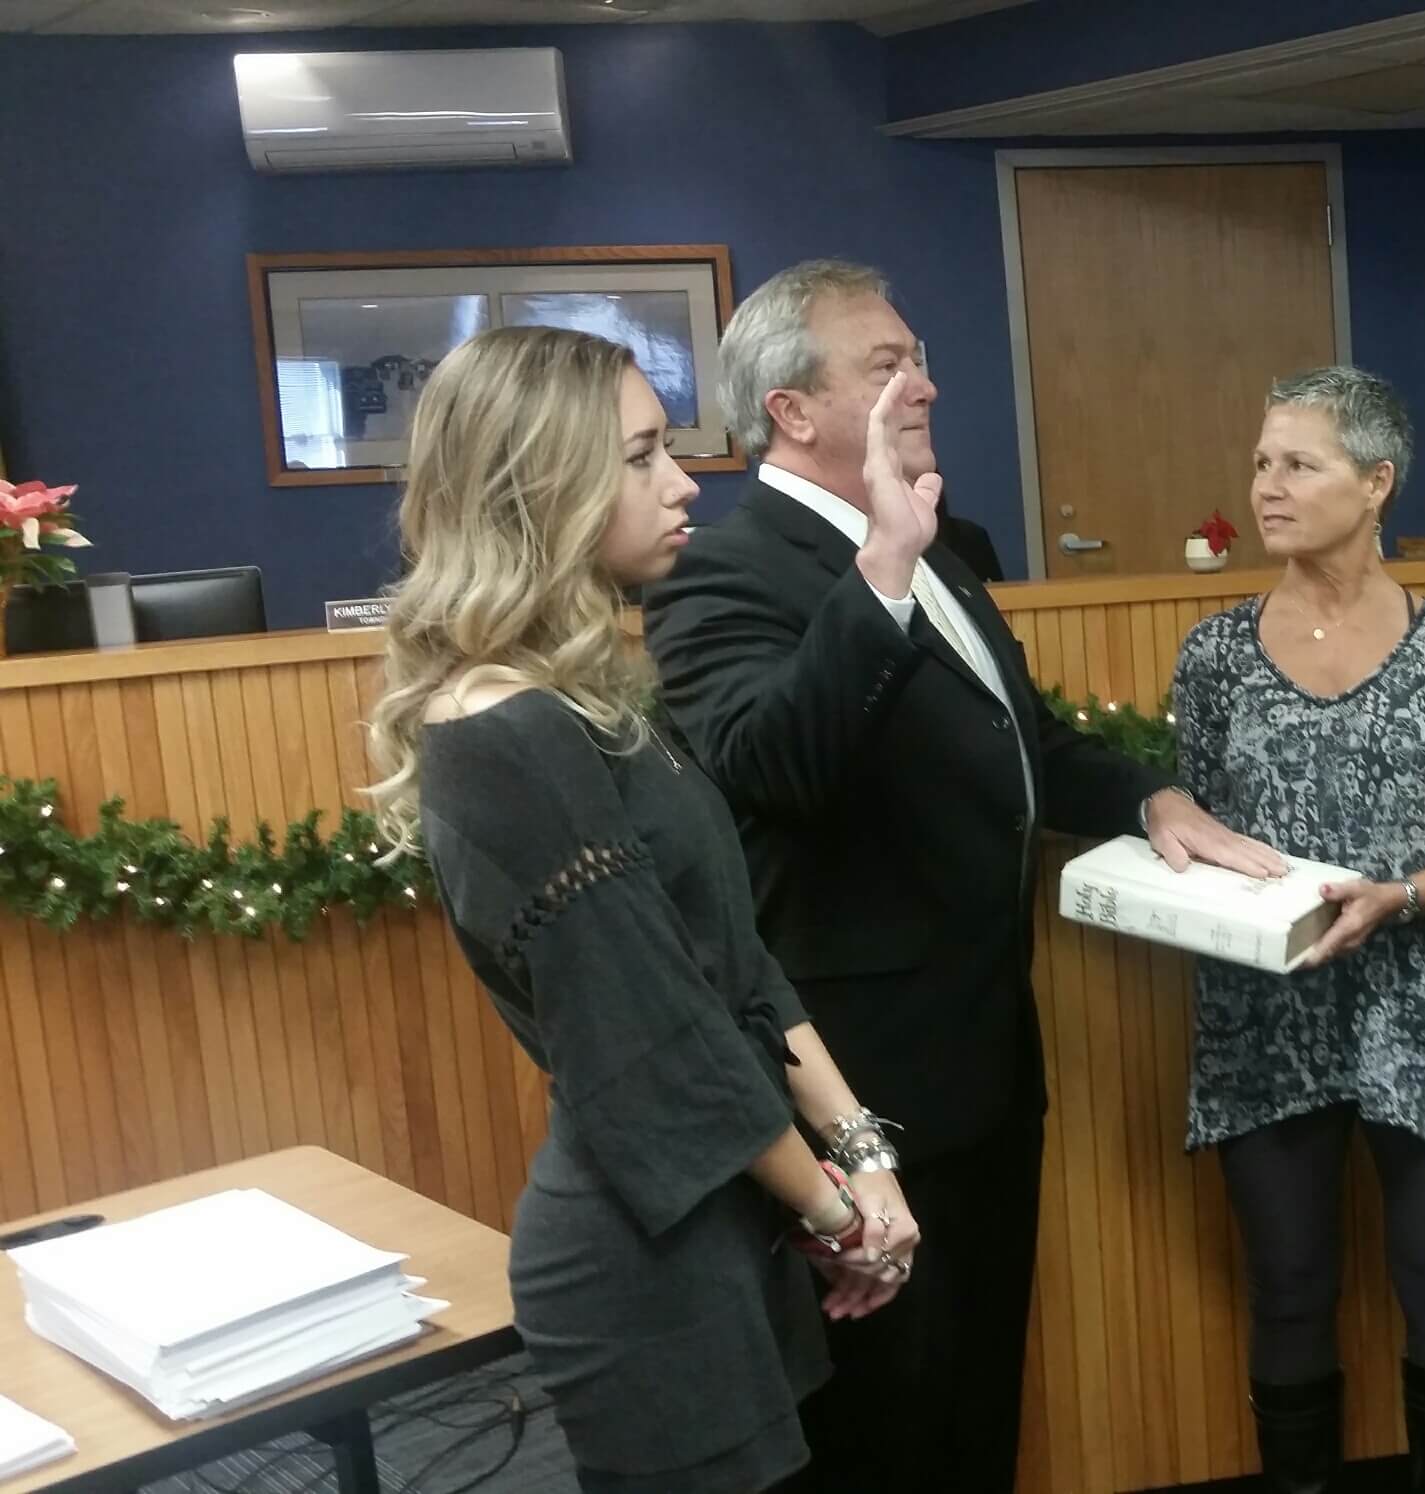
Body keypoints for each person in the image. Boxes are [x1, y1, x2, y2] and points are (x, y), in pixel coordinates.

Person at [639, 259, 1277, 1490]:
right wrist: (881, 564)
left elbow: (1018, 737)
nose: (924, 383)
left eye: (917, 358)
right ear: (792, 409)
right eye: (885, 367)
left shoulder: (947, 541)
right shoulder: (727, 571)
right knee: (885, 1420)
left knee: (976, 1395)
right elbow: (774, 765)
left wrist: (1147, 796)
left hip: (986, 1057)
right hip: (858, 1084)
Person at [363, 325, 917, 1493]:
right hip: (643, 1265)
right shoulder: (500, 734)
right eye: (641, 456)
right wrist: (834, 1211)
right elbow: (656, 1041)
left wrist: (864, 1158)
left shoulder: (592, 696)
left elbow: (735, 964)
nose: (682, 484)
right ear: (538, 486)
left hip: (730, 1230)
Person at [1168, 366, 1425, 1494]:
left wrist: (1401, 895)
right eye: (1263, 461)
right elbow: (1190, 830)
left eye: (1298, 464)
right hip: (1263, 1015)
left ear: (1376, 484)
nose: (1267, 486)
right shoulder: (1215, 655)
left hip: (1424, 1006)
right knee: (1287, 1287)